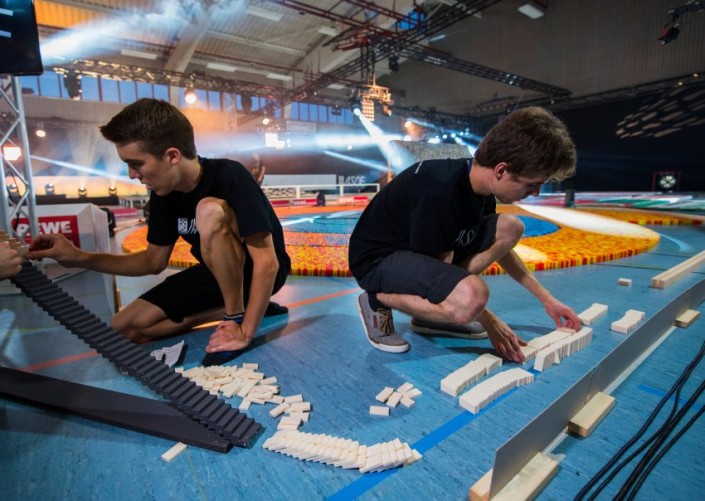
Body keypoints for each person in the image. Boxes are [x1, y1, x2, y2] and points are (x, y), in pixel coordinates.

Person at [26, 98, 291, 366]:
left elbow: (267, 263)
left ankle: (235, 315)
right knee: (123, 327)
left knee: (209, 210)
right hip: (216, 274)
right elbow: (152, 262)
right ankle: (246, 308)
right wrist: (79, 257)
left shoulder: (230, 176)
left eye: (136, 163)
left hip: (259, 271)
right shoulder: (164, 194)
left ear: (172, 156)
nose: (132, 174)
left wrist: (244, 333)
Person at [348, 106, 581, 363]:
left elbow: (500, 250)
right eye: (532, 184)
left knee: (510, 226)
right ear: (501, 171)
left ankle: (429, 317)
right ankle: (375, 299)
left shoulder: (479, 188)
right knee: (471, 298)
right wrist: (490, 321)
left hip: (414, 255)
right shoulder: (439, 191)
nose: (535, 193)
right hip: (377, 260)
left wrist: (548, 300)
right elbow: (444, 270)